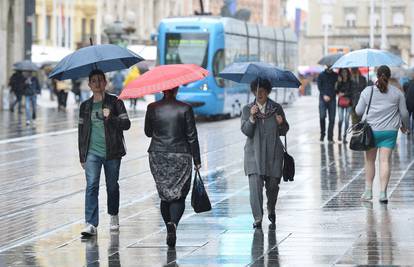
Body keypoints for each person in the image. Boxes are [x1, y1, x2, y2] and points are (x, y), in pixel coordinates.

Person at [144, 86, 201, 247]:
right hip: (180, 154)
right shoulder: (185, 108)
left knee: (164, 193)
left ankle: (168, 223)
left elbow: (148, 132)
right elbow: (192, 136)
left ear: (162, 89)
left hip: (158, 154)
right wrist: (197, 159)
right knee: (179, 193)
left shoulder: (152, 108)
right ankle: (173, 224)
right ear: (176, 89)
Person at [78, 69, 131, 236]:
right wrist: (82, 155)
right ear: (89, 85)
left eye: (100, 80)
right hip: (92, 152)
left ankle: (113, 215)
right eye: (94, 81)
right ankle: (90, 224)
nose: (97, 83)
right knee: (92, 185)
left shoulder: (115, 102)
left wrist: (111, 118)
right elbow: (81, 132)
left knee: (112, 186)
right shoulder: (85, 106)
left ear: (105, 82)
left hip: (113, 152)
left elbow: (126, 124)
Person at [356, 65, 409, 203]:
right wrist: (405, 126)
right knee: (385, 161)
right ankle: (383, 193)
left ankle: (368, 192)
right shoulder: (397, 92)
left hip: (371, 132)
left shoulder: (367, 91)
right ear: (389, 76)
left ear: (376, 74)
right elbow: (404, 113)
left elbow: (358, 111)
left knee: (369, 160)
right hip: (390, 132)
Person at [241, 78, 289, 229]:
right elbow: (246, 131)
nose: (259, 93)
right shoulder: (247, 109)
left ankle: (271, 208)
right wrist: (252, 118)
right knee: (255, 188)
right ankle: (257, 218)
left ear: (268, 92)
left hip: (273, 153)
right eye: (256, 90)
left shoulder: (276, 108)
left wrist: (281, 124)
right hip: (253, 154)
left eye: (262, 90)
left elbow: (284, 130)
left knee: (273, 185)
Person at [317, 66, 338, 142]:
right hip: (322, 99)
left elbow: (337, 88)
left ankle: (330, 137)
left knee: (332, 119)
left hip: (332, 99)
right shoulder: (321, 75)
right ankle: (322, 134)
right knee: (322, 117)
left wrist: (331, 96)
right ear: (326, 65)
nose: (329, 66)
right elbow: (319, 87)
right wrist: (324, 95)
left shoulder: (336, 75)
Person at [335, 68, 354, 143]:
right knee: (340, 119)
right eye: (342, 72)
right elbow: (336, 91)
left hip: (349, 102)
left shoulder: (351, 81)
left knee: (346, 120)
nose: (344, 73)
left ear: (347, 73)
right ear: (340, 73)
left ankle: (344, 137)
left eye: (345, 72)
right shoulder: (339, 81)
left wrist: (344, 94)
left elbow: (352, 91)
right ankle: (339, 134)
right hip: (340, 103)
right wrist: (338, 83)